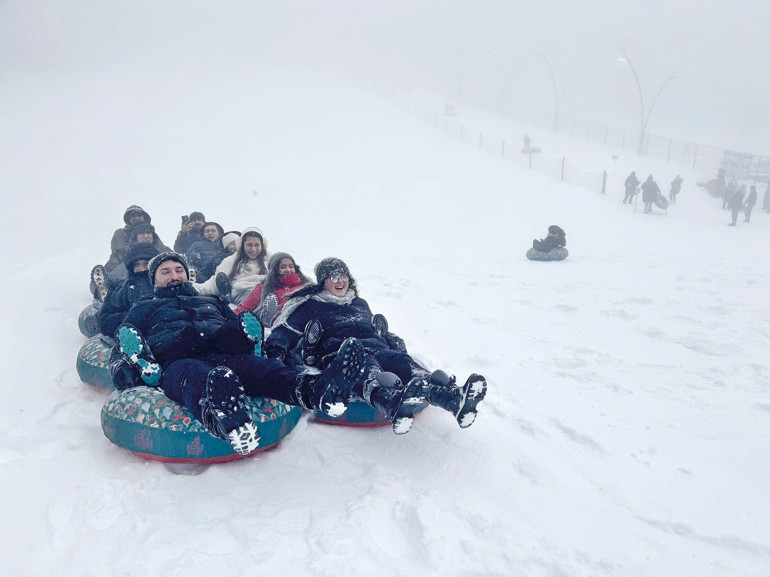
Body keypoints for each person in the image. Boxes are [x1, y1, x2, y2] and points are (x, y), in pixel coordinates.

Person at [109, 251, 369, 456]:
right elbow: (123, 344)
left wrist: (243, 336)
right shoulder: (143, 308)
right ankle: (227, 420)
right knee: (197, 377)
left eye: (179, 270)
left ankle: (317, 391)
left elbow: (232, 324)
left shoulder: (211, 300)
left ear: (187, 274)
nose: (174, 275)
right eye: (165, 272)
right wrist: (125, 371)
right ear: (154, 279)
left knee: (263, 369)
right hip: (177, 357)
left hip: (223, 350)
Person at [266, 258, 487, 434]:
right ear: (323, 281)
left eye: (344, 275)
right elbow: (284, 332)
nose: (340, 281)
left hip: (377, 346)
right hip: (342, 353)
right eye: (334, 276)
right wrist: (276, 351)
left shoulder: (359, 303)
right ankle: (390, 401)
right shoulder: (310, 305)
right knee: (366, 366)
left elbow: (372, 327)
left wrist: (391, 338)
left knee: (401, 362)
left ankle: (450, 398)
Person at [193, 227, 269, 305]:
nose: (253, 249)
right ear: (242, 245)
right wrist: (196, 289)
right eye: (249, 245)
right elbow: (215, 282)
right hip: (243, 294)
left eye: (257, 245)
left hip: (266, 294)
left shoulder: (269, 261)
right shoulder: (232, 261)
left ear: (262, 245)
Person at [234, 252, 313, 326]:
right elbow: (243, 308)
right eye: (283, 267)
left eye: (291, 266)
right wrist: (230, 318)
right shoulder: (263, 289)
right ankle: (268, 318)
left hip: (301, 319)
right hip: (280, 324)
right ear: (274, 270)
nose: (288, 270)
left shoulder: (306, 285)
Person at [98, 243, 159, 338]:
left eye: (146, 264)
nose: (142, 269)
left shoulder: (165, 284)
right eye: (137, 264)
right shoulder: (120, 290)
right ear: (131, 267)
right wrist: (133, 317)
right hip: (131, 336)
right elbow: (105, 322)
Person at [106, 222, 170, 285]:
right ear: (136, 237)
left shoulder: (164, 251)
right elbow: (110, 269)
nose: (146, 236)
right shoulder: (123, 251)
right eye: (141, 233)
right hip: (127, 283)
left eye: (149, 233)